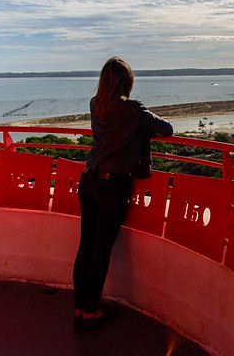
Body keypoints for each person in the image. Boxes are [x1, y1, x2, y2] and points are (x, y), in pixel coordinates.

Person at [73, 57, 173, 330]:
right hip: (112, 186)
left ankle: (80, 307)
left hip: (89, 179)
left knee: (86, 246)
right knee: (100, 251)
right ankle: (91, 312)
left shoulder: (96, 104)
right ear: (126, 82)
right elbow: (167, 129)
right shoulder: (130, 108)